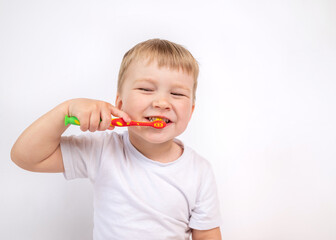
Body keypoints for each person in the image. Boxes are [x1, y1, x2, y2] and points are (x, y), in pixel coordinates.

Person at [11, 39, 222, 240]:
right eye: (146, 89)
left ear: (191, 111)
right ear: (119, 104)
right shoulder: (103, 150)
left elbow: (206, 235)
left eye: (176, 93)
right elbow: (26, 157)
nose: (162, 102)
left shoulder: (200, 171)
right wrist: (65, 110)